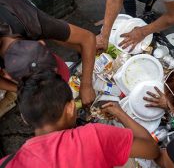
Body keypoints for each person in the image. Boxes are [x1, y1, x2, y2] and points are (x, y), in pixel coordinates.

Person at [0, 71, 159, 167]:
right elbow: (152, 149)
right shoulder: (93, 137)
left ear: (24, 118)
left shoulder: (6, 163)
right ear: (70, 108)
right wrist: (120, 113)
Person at [0, 0, 96, 105]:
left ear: (41, 42)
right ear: (6, 74)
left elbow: (88, 38)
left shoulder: (31, 21)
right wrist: (20, 90)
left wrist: (86, 84)